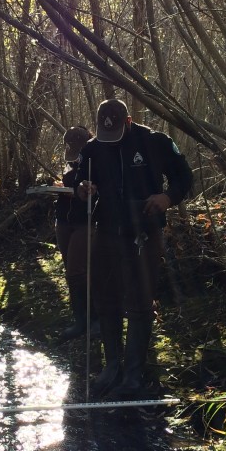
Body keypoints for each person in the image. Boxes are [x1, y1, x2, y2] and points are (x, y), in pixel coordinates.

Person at [73, 98, 193, 398]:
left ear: (128, 121)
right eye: (103, 132)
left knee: (140, 301)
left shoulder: (155, 142)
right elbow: (78, 179)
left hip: (144, 232)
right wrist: (82, 188)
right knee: (104, 298)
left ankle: (134, 374)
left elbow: (185, 177)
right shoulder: (92, 147)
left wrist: (168, 198)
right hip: (106, 230)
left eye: (115, 131)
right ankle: (112, 365)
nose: (108, 138)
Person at [55, 126, 98, 343]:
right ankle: (80, 318)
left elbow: (100, 191)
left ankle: (92, 319)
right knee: (71, 270)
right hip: (64, 221)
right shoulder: (69, 165)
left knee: (77, 271)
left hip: (85, 222)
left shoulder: (95, 162)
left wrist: (85, 192)